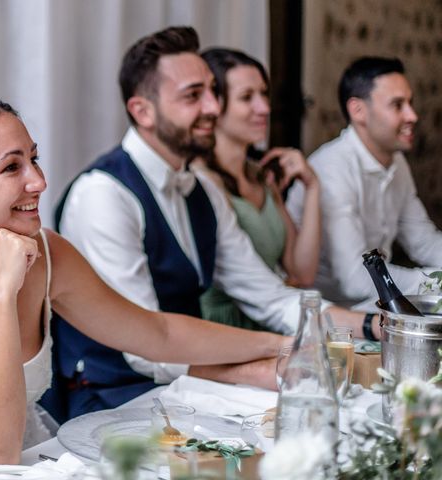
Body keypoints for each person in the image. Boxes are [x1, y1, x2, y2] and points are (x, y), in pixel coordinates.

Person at [0, 88, 292, 479]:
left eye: (34, 158)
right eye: (12, 167)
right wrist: (3, 293)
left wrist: (279, 345)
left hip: (34, 464)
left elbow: (157, 334)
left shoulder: (47, 254)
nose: (39, 181)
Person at [49, 26, 374, 421]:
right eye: (193, 96)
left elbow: (269, 297)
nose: (212, 108)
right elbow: (145, 351)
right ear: (142, 111)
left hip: (184, 387)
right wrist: (264, 368)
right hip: (111, 398)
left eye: (212, 92)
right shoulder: (103, 195)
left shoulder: (202, 188)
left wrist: (376, 325)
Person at [286, 56, 442, 307]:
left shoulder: (396, 162)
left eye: (410, 103)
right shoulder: (332, 167)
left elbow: (423, 242)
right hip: (325, 315)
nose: (412, 115)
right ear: (358, 110)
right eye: (397, 105)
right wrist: (435, 282)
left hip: (374, 305)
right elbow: (355, 280)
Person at [191, 48, 321, 329]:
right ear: (215, 104)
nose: (264, 108)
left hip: (273, 319)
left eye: (264, 94)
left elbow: (302, 272)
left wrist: (312, 187)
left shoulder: (262, 177)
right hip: (224, 329)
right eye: (247, 98)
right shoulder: (201, 181)